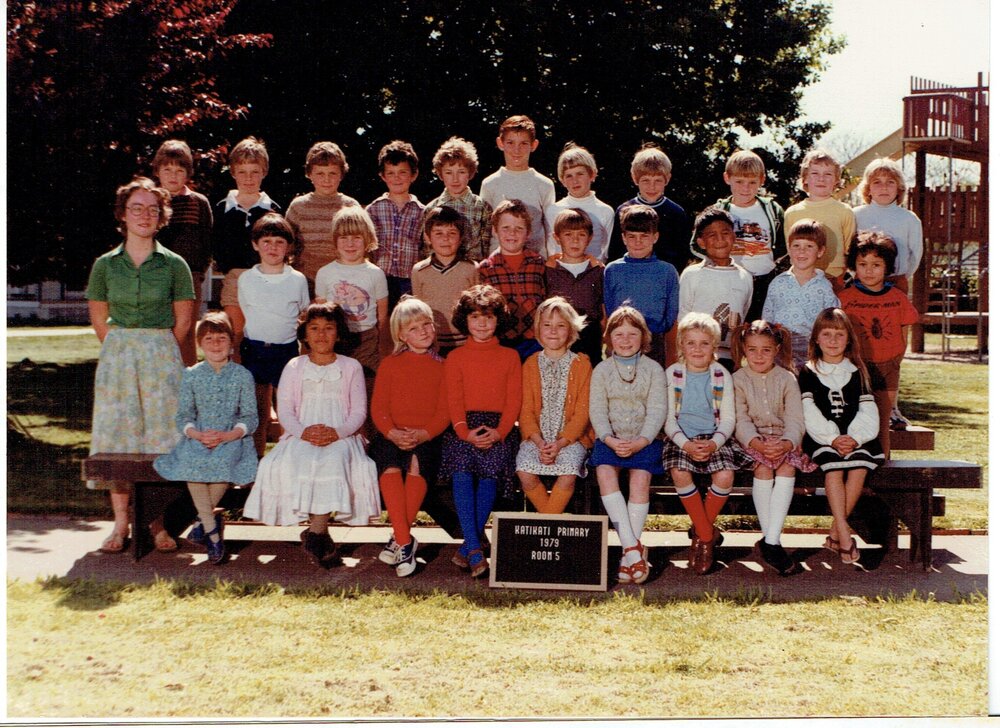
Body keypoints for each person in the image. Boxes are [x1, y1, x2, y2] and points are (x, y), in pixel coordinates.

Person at [85, 176, 195, 553]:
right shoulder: (104, 265)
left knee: (159, 438)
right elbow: (100, 321)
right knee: (119, 438)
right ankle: (119, 526)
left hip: (161, 354)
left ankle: (156, 524)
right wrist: (125, 348)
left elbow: (183, 323)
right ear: (123, 214)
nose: (145, 215)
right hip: (118, 356)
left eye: (153, 209)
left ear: (162, 216)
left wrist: (155, 350)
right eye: (137, 208)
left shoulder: (174, 265)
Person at [243, 303, 380, 568]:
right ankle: (320, 535)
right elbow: (285, 410)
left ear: (339, 334)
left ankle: (315, 533)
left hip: (342, 436)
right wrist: (304, 432)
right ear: (304, 334)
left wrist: (337, 432)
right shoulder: (294, 366)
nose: (321, 334)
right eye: (314, 328)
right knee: (292, 461)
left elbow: (359, 412)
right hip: (301, 435)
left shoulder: (351, 367)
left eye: (329, 328)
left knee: (334, 460)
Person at [153, 312, 258, 564]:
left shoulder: (242, 375)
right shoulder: (192, 375)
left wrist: (230, 434)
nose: (215, 344)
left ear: (231, 342)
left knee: (224, 461)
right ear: (200, 343)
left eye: (221, 338)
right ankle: (213, 533)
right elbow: (184, 416)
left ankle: (204, 524)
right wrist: (196, 434)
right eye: (209, 338)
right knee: (193, 462)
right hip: (199, 436)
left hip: (232, 436)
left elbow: (250, 415)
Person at [440, 285, 522, 578]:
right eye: (475, 317)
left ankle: (468, 549)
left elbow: (514, 399)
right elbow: (454, 399)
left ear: (498, 320)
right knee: (462, 471)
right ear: (466, 320)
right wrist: (464, 432)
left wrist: (500, 432)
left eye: (488, 317)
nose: (482, 323)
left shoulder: (510, 356)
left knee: (490, 471)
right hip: (464, 427)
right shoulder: (456, 357)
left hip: (498, 427)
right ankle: (474, 547)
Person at [663, 313, 752, 575]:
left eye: (704, 343)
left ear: (715, 346)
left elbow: (729, 418)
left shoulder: (721, 374)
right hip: (681, 439)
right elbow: (668, 419)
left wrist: (714, 443)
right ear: (682, 346)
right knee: (680, 472)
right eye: (691, 343)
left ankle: (700, 536)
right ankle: (705, 535)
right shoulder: (673, 374)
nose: (698, 349)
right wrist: (685, 444)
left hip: (714, 438)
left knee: (725, 475)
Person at [369, 296, 451, 577]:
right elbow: (378, 408)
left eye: (427, 324)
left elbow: (445, 411)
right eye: (414, 328)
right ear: (401, 335)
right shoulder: (390, 364)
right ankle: (405, 540)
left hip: (427, 437)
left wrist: (424, 434)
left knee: (417, 464)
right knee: (390, 465)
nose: (423, 331)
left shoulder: (443, 366)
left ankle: (399, 540)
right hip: (391, 435)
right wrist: (392, 433)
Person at [799, 307, 884, 565]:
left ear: (849, 339)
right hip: (822, 437)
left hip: (858, 437)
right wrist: (833, 438)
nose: (833, 341)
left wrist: (855, 438)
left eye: (839, 334)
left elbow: (869, 410)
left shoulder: (859, 370)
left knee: (859, 467)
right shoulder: (808, 371)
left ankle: (837, 532)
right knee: (833, 469)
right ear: (816, 338)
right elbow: (808, 411)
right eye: (827, 334)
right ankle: (844, 535)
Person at [589, 306, 667, 585]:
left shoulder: (654, 369)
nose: (625, 340)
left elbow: (657, 410)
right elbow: (597, 411)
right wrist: (609, 438)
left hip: (644, 439)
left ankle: (627, 553)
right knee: (605, 473)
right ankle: (633, 548)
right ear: (609, 338)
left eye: (632, 334)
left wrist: (641, 441)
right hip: (609, 438)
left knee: (639, 480)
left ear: (643, 337)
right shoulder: (601, 370)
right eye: (618, 334)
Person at [731, 320, 816, 575]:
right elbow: (740, 419)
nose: (759, 355)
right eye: (752, 349)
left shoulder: (787, 378)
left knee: (788, 467)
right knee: (764, 469)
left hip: (783, 440)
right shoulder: (738, 379)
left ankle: (771, 540)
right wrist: (757, 443)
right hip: (752, 441)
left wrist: (788, 442)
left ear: (776, 350)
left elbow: (795, 419)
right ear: (744, 349)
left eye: (766, 349)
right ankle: (772, 542)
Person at [838, 231, 920, 458]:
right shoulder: (845, 298)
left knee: (883, 423)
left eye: (876, 264)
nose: (869, 270)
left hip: (888, 367)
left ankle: (882, 475)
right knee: (854, 419)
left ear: (887, 267)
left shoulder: (898, 297)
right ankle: (855, 472)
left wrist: (896, 359)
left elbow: (905, 328)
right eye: (862, 264)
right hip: (855, 368)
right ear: (854, 265)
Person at [237, 213, 310, 456]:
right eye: (266, 242)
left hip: (286, 351)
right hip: (255, 350)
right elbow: (248, 311)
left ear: (288, 246)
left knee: (288, 409)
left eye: (279, 242)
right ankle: (255, 461)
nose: (273, 248)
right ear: (255, 244)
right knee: (256, 409)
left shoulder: (297, 279)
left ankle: (286, 460)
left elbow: (302, 312)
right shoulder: (246, 279)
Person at [515, 297, 594, 515]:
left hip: (570, 440)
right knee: (524, 473)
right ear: (538, 329)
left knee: (568, 475)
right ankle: (553, 520)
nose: (553, 331)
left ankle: (548, 522)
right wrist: (540, 442)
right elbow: (526, 411)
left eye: (561, 326)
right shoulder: (530, 364)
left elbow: (582, 413)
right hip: (537, 439)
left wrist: (560, 444)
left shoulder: (581, 364)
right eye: (547, 325)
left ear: (571, 330)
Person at [692, 149, 786, 322]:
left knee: (761, 329)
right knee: (731, 327)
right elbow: (697, 244)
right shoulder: (718, 210)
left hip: (764, 280)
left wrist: (770, 264)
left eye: (752, 182)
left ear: (762, 180)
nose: (746, 188)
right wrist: (717, 265)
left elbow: (782, 245)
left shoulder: (772, 210)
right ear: (727, 178)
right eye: (739, 181)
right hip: (730, 278)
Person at [212, 136, 282, 359]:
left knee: (265, 339)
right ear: (232, 172)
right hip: (235, 279)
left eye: (254, 171)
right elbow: (217, 246)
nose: (248, 178)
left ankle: (265, 394)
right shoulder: (222, 208)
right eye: (242, 172)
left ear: (264, 172)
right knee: (236, 335)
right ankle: (237, 388)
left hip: (266, 279)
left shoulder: (273, 210)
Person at [152, 139, 214, 366]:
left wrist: (198, 272)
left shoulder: (199, 202)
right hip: (156, 278)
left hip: (189, 278)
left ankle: (187, 383)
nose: (173, 176)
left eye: (180, 170)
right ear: (157, 171)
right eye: (167, 169)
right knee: (159, 330)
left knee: (186, 330)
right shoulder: (151, 201)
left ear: (188, 173)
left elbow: (206, 241)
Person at [314, 206, 390, 376]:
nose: (350, 243)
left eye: (356, 237)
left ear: (367, 239)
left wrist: (381, 345)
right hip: (335, 338)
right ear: (335, 240)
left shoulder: (375, 274)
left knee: (367, 381)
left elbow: (382, 317)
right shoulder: (325, 273)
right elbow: (320, 315)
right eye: (343, 237)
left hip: (367, 339)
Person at [603, 204, 680, 366]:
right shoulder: (612, 270)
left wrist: (671, 356)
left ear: (655, 237)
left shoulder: (667, 271)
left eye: (644, 236)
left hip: (655, 343)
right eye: (631, 236)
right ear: (623, 238)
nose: (638, 242)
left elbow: (671, 317)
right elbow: (608, 312)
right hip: (621, 341)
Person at [679, 206, 753, 370]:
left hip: (730, 359)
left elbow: (743, 312)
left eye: (725, 233)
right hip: (696, 357)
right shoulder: (692, 275)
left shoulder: (745, 277)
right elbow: (682, 319)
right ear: (701, 242)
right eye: (712, 235)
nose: (720, 239)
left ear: (734, 237)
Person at [762, 219, 840, 370]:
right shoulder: (778, 283)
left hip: (810, 349)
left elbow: (832, 322)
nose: (801, 251)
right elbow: (767, 317)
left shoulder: (824, 286)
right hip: (780, 347)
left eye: (809, 246)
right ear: (789, 249)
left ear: (820, 251)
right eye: (796, 246)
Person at [286, 141, 360, 295]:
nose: (327, 179)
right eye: (320, 173)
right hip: (306, 282)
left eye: (332, 173)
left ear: (341, 174)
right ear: (309, 174)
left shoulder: (351, 206)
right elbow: (287, 247)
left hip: (343, 281)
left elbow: (362, 246)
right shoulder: (298, 207)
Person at [477, 199, 547, 360]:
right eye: (506, 228)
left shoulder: (538, 263)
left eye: (519, 229)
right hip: (501, 340)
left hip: (534, 340)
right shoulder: (486, 268)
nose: (512, 234)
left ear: (528, 233)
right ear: (495, 231)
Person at [480, 115, 556, 255]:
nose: (517, 150)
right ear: (500, 143)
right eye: (510, 143)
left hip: (536, 263)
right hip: (498, 263)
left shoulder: (544, 184)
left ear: (534, 145)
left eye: (523, 143)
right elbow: (485, 229)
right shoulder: (490, 184)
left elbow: (551, 229)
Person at [608, 144, 690, 273]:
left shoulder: (676, 213)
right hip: (629, 275)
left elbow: (682, 255)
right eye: (646, 180)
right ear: (635, 179)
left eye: (657, 181)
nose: (652, 187)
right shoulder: (624, 210)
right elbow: (615, 251)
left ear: (667, 179)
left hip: (662, 278)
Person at [410, 206, 480, 357]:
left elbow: (477, 308)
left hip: (465, 341)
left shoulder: (471, 268)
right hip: (432, 342)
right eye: (438, 233)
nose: (445, 238)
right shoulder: (419, 271)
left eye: (452, 233)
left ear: (461, 238)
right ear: (428, 237)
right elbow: (419, 310)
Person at [783, 149, 856, 288]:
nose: (821, 179)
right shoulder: (792, 213)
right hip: (802, 279)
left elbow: (849, 249)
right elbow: (791, 249)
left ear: (836, 180)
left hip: (835, 279)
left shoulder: (845, 211)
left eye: (828, 174)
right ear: (804, 178)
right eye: (815, 173)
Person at [366, 140, 425, 311]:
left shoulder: (423, 211)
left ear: (413, 175)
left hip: (410, 280)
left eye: (402, 172)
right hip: (379, 278)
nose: (396, 178)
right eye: (390, 173)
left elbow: (425, 248)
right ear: (382, 176)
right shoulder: (373, 209)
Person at [544, 208, 605, 367]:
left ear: (590, 238)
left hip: (590, 336)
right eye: (568, 235)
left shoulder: (597, 271)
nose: (575, 240)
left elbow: (603, 308)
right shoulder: (549, 270)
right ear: (557, 238)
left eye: (581, 235)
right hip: (558, 335)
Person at [852, 157, 923, 294]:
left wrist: (901, 276)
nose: (884, 187)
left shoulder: (909, 219)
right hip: (862, 282)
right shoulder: (855, 215)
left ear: (899, 188)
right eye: (877, 182)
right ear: (868, 188)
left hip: (896, 282)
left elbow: (915, 256)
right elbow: (848, 252)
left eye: (890, 182)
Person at [422, 136, 493, 263]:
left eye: (461, 172)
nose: (455, 179)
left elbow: (486, 248)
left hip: (472, 274)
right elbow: (427, 249)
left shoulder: (482, 207)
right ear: (441, 174)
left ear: (470, 173)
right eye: (449, 173)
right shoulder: (431, 208)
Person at [544, 143, 615, 261]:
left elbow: (607, 252)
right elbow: (551, 249)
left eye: (580, 174)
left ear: (592, 174)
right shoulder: (553, 210)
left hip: (594, 274)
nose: (575, 181)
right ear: (562, 180)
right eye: (569, 176)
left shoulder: (605, 211)